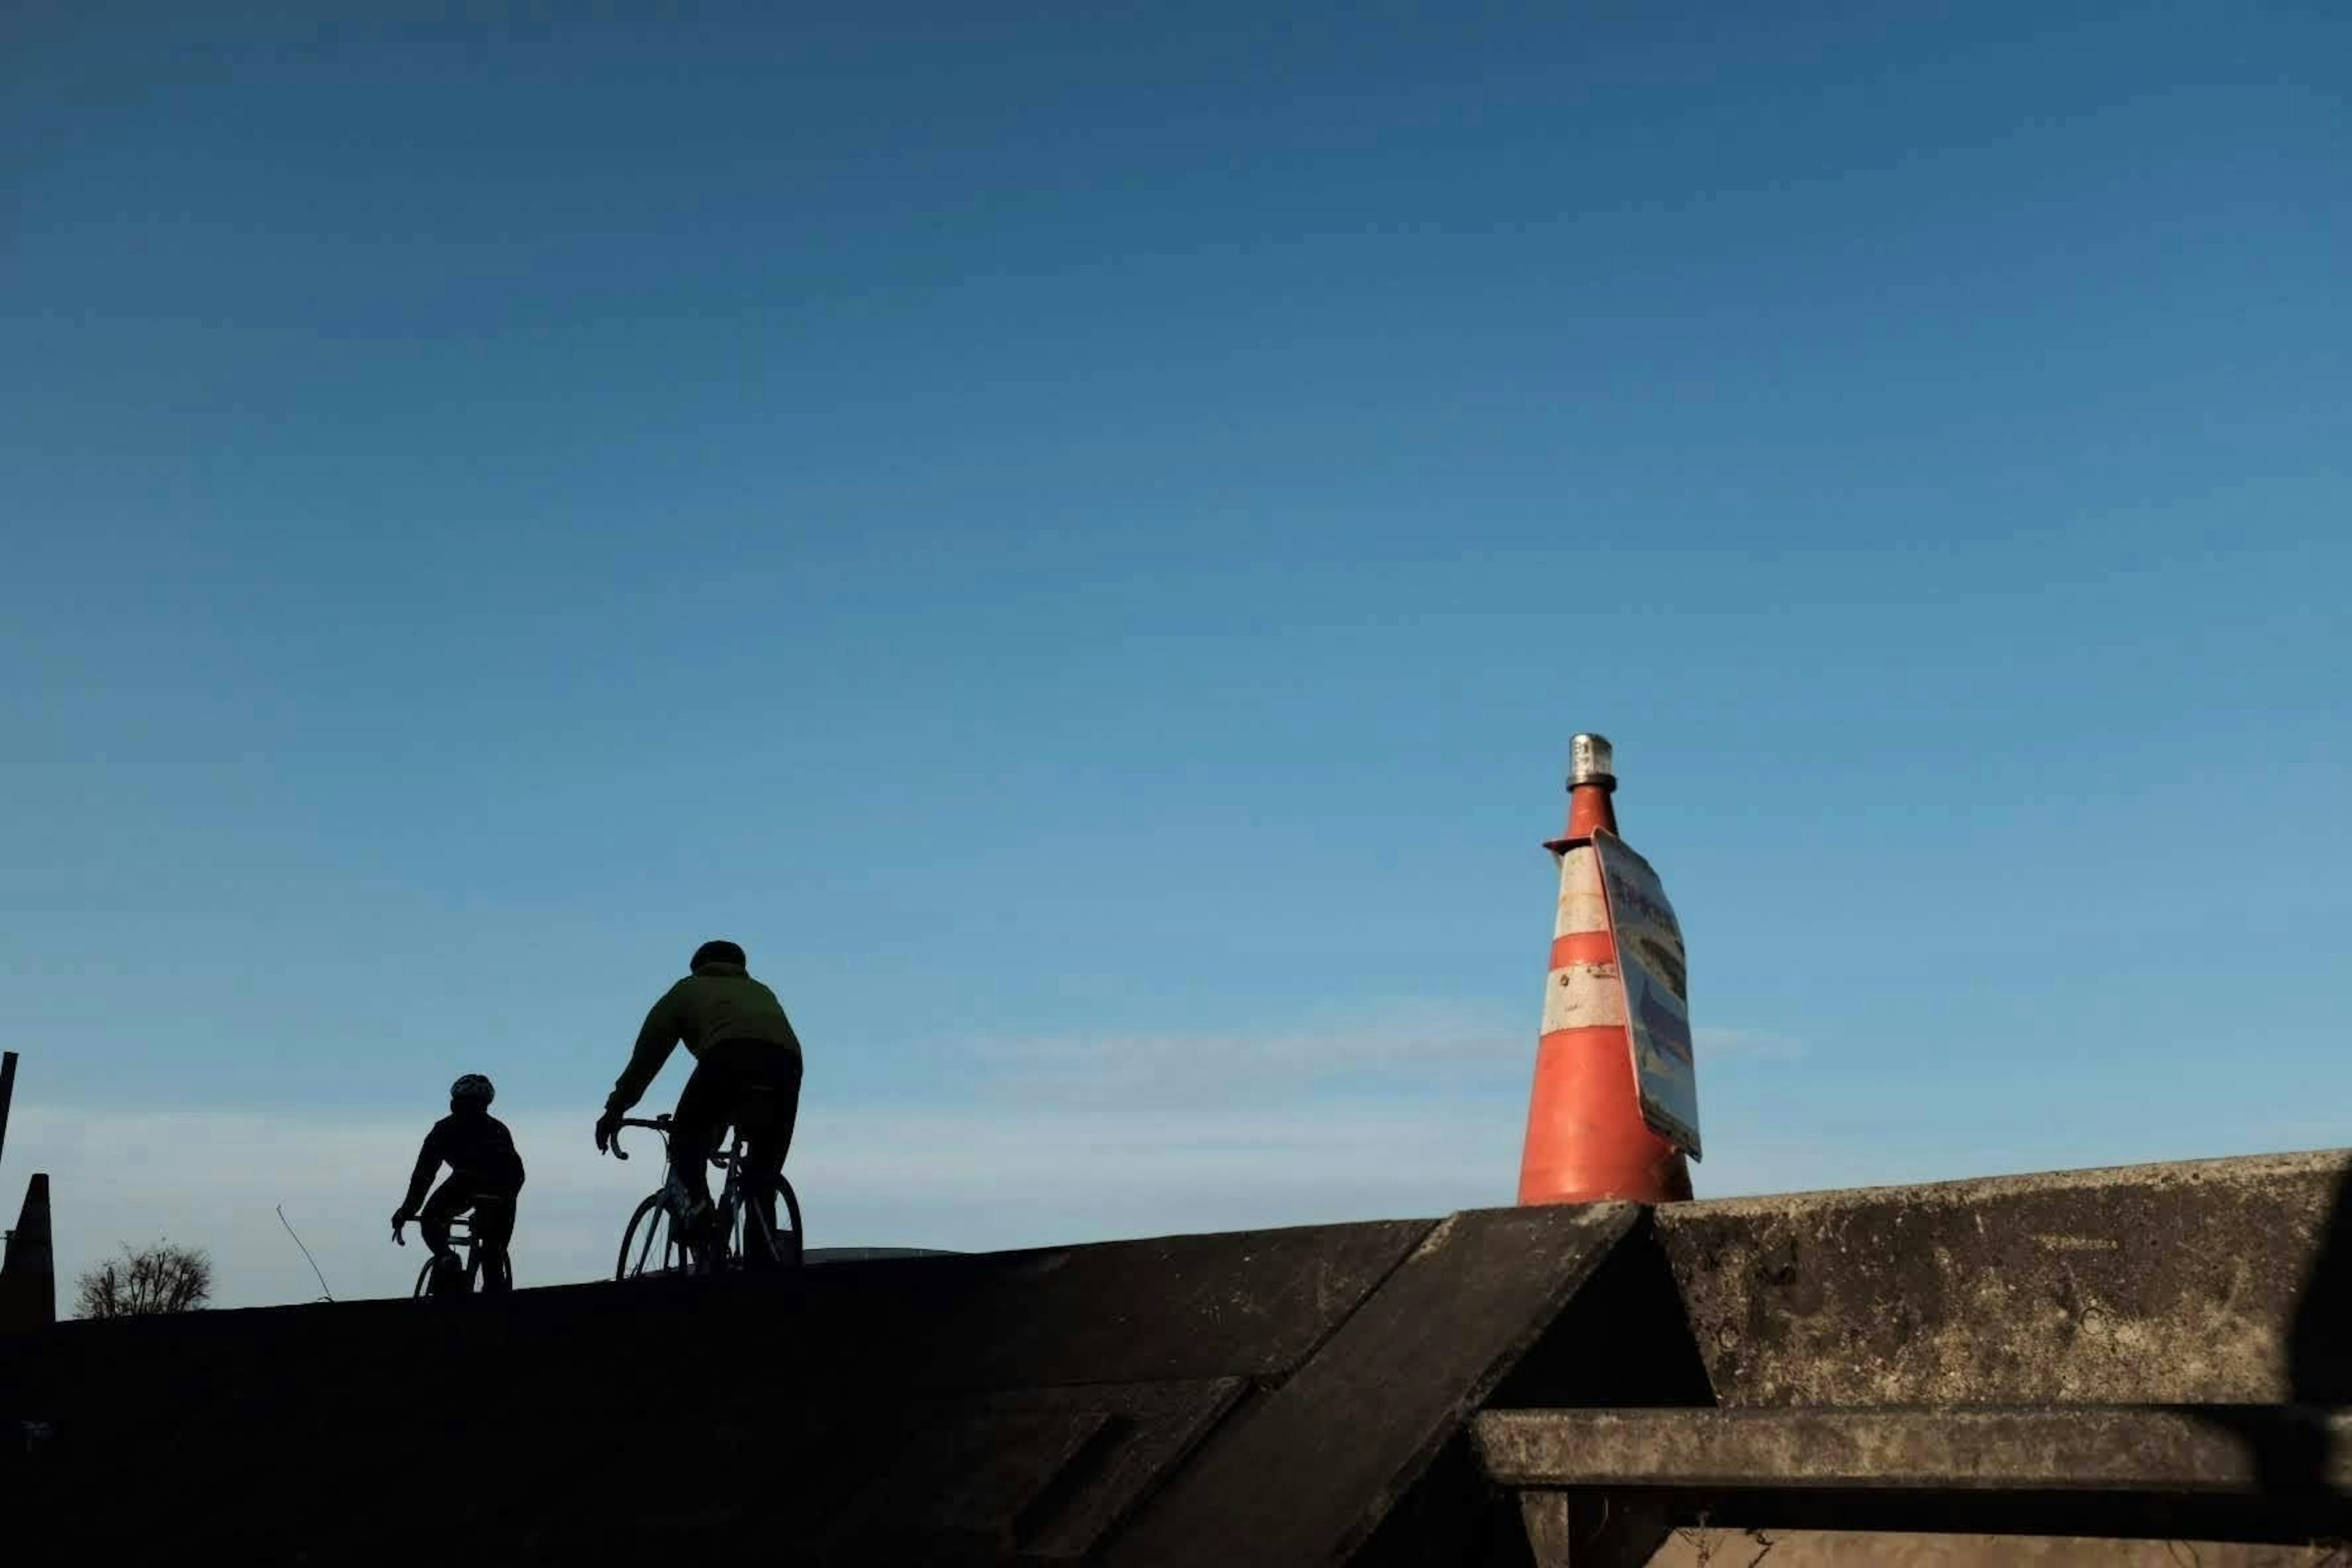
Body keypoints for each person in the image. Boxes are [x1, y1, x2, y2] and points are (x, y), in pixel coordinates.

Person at [595, 939, 804, 1267]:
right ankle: (763, 1264)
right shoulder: (761, 991)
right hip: (787, 1064)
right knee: (762, 1172)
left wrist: (615, 1109)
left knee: (685, 1139)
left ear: (698, 966)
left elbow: (647, 1059)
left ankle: (699, 1216)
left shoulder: (686, 990)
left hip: (729, 1056)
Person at [391, 1073, 526, 1294]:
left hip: (485, 1182)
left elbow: (422, 1177)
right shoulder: (498, 1128)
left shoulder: (443, 1129)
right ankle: (493, 1277)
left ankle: (448, 1259)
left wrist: (407, 1210)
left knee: (433, 1217)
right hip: (502, 1184)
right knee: (494, 1247)